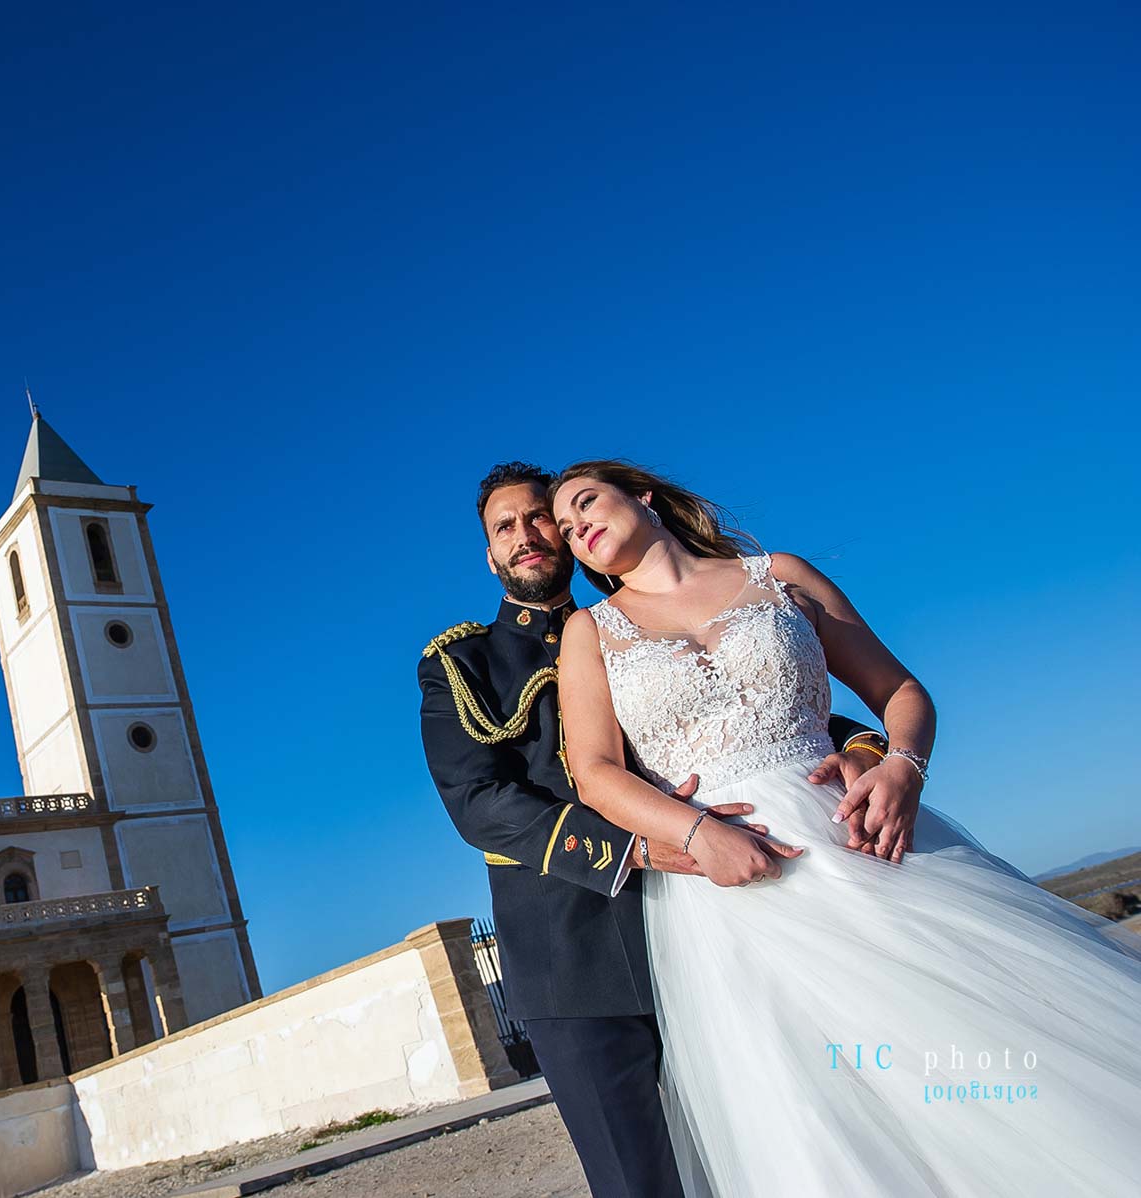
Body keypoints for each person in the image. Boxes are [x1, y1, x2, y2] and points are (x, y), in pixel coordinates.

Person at [550, 458, 1141, 1196]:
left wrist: (902, 769)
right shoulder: (590, 631)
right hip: (736, 887)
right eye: (567, 530)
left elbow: (899, 690)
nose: (578, 528)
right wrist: (697, 835)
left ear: (642, 495)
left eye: (586, 503)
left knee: (977, 1043)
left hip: (859, 834)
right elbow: (597, 773)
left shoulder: (778, 574)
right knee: (822, 1105)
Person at [417, 462, 887, 1198]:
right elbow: (479, 803)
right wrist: (634, 847)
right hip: (576, 960)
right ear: (489, 554)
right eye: (504, 528)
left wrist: (860, 750)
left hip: (719, 928)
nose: (529, 535)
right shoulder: (464, 664)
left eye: (544, 517)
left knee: (785, 1154)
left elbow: (764, 707)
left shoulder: (633, 622)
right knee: (641, 1183)